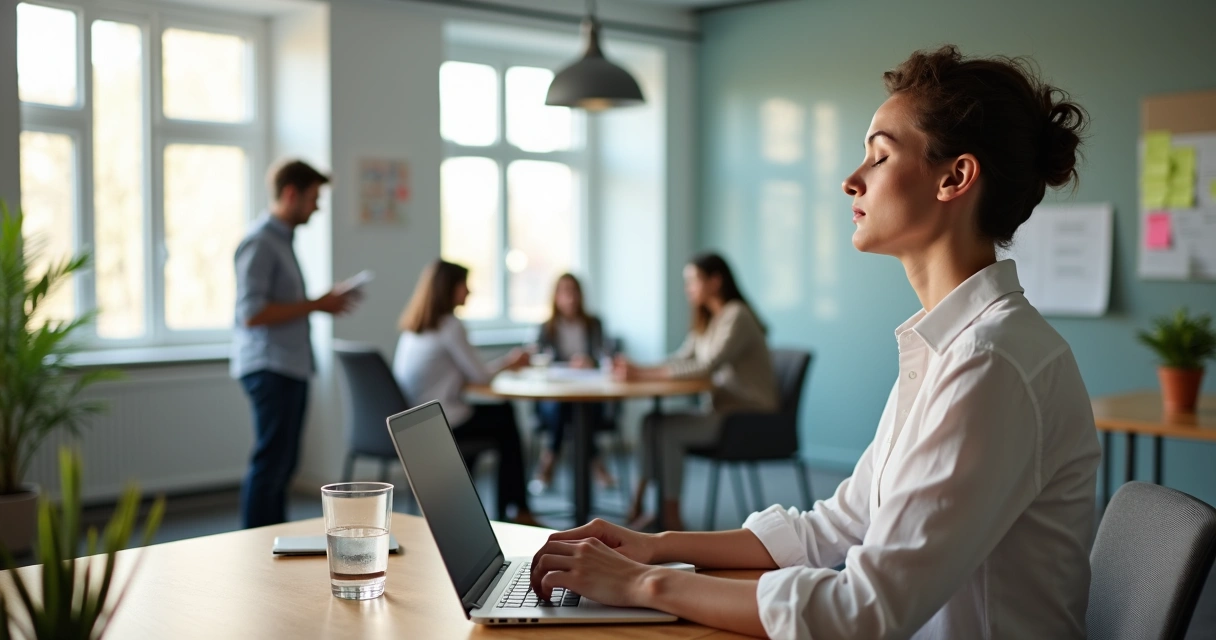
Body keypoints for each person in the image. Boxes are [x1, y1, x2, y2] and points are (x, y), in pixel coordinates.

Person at [527, 45, 1101, 639]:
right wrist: (653, 546)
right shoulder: (951, 347)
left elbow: (863, 610)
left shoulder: (991, 362)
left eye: (879, 156)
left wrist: (639, 584)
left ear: (954, 177)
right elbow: (840, 524)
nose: (851, 179)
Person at [232, 159, 359, 529]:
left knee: (283, 464)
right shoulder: (260, 242)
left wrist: (319, 303)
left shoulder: (281, 241)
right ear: (291, 194)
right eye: (314, 197)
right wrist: (317, 304)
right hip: (269, 366)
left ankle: (272, 537)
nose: (317, 207)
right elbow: (251, 313)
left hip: (288, 364)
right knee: (271, 463)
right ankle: (256, 541)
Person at [617, 252, 778, 532]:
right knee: (650, 423)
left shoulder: (736, 315)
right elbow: (681, 358)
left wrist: (642, 374)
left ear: (715, 281)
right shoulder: (710, 320)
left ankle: (670, 518)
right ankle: (640, 506)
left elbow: (707, 366)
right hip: (723, 411)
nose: (687, 288)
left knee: (666, 430)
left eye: (693, 280)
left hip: (747, 418)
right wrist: (638, 367)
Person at [392, 259, 540, 526]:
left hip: (416, 420)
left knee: (497, 418)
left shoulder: (415, 327)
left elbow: (466, 375)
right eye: (464, 285)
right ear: (449, 287)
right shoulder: (450, 326)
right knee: (505, 417)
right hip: (441, 421)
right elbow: (480, 376)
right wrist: (511, 361)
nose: (468, 292)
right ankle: (516, 509)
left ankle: (491, 505)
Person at [531, 273, 616, 493]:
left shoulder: (593, 324)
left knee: (577, 409)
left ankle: (548, 461)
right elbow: (539, 360)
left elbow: (606, 357)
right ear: (556, 297)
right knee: (563, 407)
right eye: (564, 292)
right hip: (554, 399)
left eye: (573, 291)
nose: (569, 297)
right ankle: (597, 464)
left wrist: (592, 361)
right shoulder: (546, 327)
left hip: (590, 397)